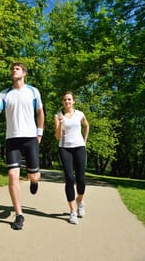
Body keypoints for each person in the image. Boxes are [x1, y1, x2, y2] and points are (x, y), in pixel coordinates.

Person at [0, 62, 44, 230]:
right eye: (12, 69)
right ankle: (19, 214)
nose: (13, 71)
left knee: (34, 176)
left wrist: (40, 133)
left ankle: (34, 180)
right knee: (12, 175)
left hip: (31, 138)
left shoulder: (33, 91)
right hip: (12, 139)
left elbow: (39, 112)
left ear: (24, 73)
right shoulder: (5, 94)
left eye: (17, 69)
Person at [54, 91, 89, 225]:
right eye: (64, 100)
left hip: (79, 147)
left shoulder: (80, 114)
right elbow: (57, 136)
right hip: (64, 148)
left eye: (69, 99)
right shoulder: (58, 116)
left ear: (73, 101)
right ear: (62, 102)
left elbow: (86, 126)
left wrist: (84, 141)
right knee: (69, 178)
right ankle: (73, 211)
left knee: (80, 179)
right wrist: (61, 123)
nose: (67, 102)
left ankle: (80, 200)